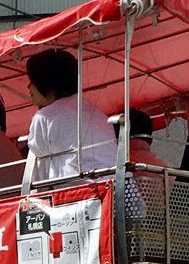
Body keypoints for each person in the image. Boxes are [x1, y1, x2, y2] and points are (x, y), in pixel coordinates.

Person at [23, 49, 119, 185]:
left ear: (46, 81)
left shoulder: (45, 117)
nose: (29, 87)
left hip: (83, 192)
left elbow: (38, 156)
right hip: (119, 184)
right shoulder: (96, 111)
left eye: (33, 81)